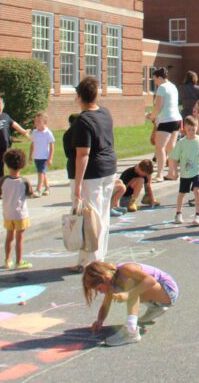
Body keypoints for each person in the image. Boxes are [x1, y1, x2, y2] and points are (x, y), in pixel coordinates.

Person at [71, 76, 119, 272]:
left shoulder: (82, 121)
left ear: (79, 96)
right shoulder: (105, 113)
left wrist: (77, 185)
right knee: (102, 214)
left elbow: (83, 154)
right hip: (109, 168)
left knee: (92, 218)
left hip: (93, 173)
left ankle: (93, 261)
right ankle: (91, 257)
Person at [83, 261, 179, 347]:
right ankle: (155, 308)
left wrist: (128, 295)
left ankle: (131, 331)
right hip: (158, 298)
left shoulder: (126, 269)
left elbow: (151, 281)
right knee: (128, 288)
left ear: (106, 278)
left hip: (169, 290)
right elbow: (105, 305)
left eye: (99, 288)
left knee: (131, 284)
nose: (100, 292)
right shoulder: (111, 284)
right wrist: (100, 320)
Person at [169, 116, 199, 226]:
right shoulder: (181, 143)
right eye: (189, 130)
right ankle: (178, 213)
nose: (191, 132)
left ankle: (198, 215)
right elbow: (173, 158)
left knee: (197, 191)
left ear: (197, 127)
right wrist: (174, 172)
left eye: (193, 130)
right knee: (182, 193)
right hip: (185, 172)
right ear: (184, 128)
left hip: (198, 171)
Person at [0, 148, 33, 270]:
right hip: (21, 213)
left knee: (9, 237)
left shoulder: (3, 180)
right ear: (22, 165)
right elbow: (30, 194)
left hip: (8, 213)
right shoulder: (24, 181)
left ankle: (7, 260)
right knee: (20, 238)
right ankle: (19, 261)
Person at [147, 68, 182, 181]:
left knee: (160, 147)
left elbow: (158, 107)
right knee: (170, 147)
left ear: (159, 77)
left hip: (166, 120)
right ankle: (172, 173)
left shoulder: (161, 88)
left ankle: (159, 174)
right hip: (176, 119)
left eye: (154, 79)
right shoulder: (173, 86)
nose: (154, 82)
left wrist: (151, 116)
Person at [30, 112, 55, 197]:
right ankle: (47, 187)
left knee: (40, 173)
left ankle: (38, 189)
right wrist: (30, 156)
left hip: (44, 157)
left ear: (45, 122)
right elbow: (32, 144)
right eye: (36, 121)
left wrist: (50, 158)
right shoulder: (34, 132)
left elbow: (52, 146)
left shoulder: (48, 133)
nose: (36, 123)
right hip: (37, 156)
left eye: (39, 121)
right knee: (42, 173)